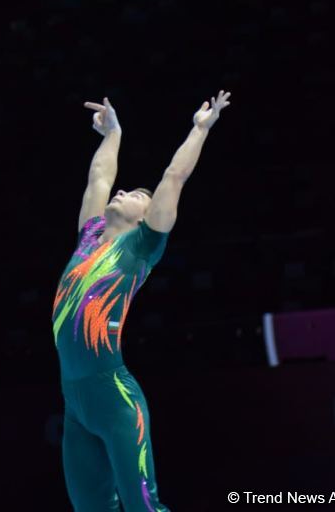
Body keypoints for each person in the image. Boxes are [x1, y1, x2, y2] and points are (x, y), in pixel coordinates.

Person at [53, 91, 231, 511]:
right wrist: (113, 133)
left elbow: (174, 176)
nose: (123, 190)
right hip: (74, 405)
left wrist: (199, 129)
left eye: (135, 193)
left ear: (144, 217)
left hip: (114, 398)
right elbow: (98, 177)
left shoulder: (140, 248)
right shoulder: (90, 237)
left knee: (143, 507)